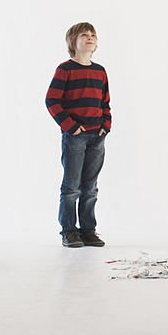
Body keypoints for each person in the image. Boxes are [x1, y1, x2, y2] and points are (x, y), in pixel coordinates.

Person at [45, 22, 112, 248]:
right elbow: (52, 101)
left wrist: (106, 125)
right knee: (71, 186)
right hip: (75, 136)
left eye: (93, 34)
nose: (90, 37)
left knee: (90, 186)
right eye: (84, 34)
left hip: (97, 136)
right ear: (72, 42)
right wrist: (71, 127)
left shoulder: (100, 71)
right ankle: (69, 231)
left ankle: (88, 230)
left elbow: (105, 102)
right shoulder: (65, 69)